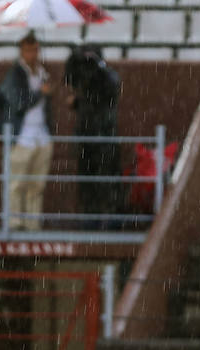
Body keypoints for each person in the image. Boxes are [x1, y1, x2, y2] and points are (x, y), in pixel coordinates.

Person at [0, 32, 53, 232]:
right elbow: (19, 103)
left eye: (35, 49)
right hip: (22, 135)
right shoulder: (14, 75)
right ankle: (15, 222)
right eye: (28, 50)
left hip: (40, 135)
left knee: (36, 185)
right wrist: (40, 93)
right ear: (21, 51)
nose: (32, 54)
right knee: (16, 183)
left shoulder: (42, 73)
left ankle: (32, 222)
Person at [63, 44, 121, 228]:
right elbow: (69, 79)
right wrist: (74, 59)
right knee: (87, 180)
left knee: (106, 180)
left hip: (105, 135)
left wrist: (98, 66)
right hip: (86, 136)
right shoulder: (81, 75)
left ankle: (110, 219)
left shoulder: (107, 75)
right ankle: (90, 218)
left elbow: (110, 90)